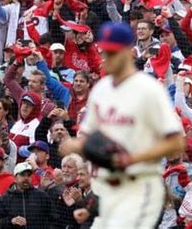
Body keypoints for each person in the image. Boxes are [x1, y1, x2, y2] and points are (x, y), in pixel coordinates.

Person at [59, 22, 185, 227]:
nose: (106, 58)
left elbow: (176, 143)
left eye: (113, 52)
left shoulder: (148, 90)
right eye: (104, 52)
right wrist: (75, 145)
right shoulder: (101, 90)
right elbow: (90, 139)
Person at [0, 162, 56, 228]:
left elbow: (53, 219)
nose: (26, 178)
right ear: (15, 178)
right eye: (23, 175)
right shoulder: (5, 199)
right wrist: (11, 221)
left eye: (29, 175)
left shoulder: (42, 196)